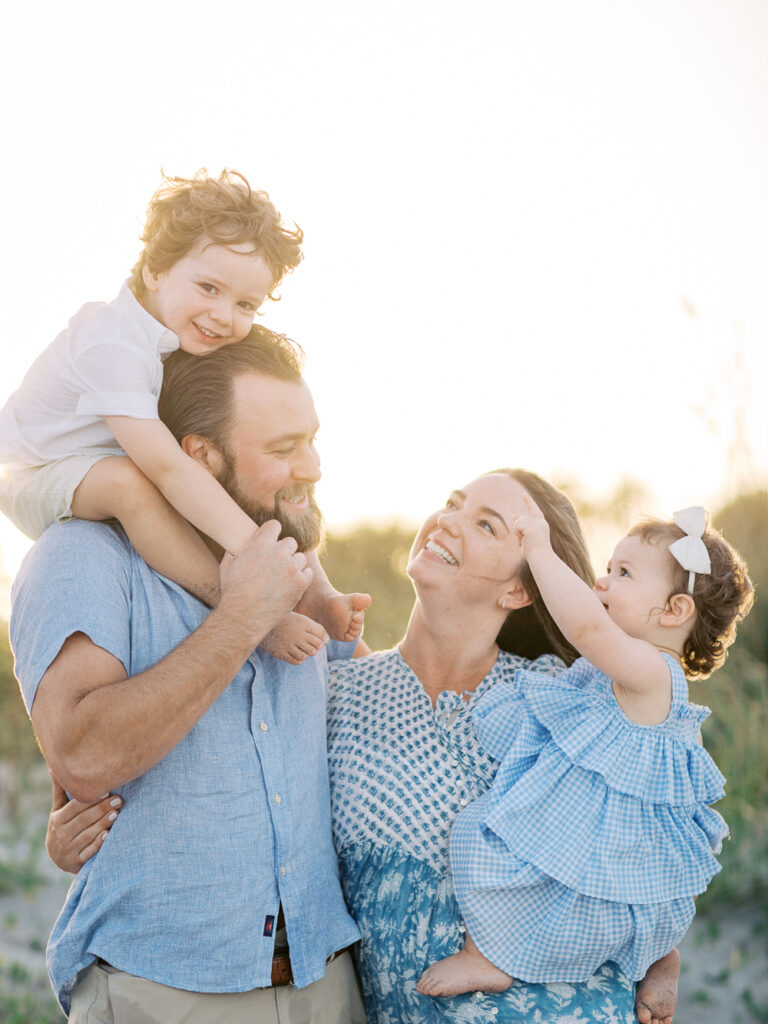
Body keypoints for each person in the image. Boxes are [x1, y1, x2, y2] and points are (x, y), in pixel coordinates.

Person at [48, 470, 683, 1024]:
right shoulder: (333, 687)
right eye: (454, 502)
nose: (449, 522)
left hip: (559, 1007)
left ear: (519, 590)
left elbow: (637, 823)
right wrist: (73, 821)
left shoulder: (555, 697)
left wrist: (663, 949)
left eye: (486, 525)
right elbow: (223, 778)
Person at [10, 328, 366, 1022]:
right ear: (200, 458)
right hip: (166, 993)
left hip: (327, 984)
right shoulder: (83, 557)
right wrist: (239, 621)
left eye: (312, 438)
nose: (315, 466)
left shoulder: (293, 567)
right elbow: (82, 753)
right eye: (284, 449)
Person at [0, 169, 369, 664]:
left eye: (245, 304)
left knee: (264, 474)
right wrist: (260, 562)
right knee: (129, 483)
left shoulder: (177, 333)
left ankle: (315, 593)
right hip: (29, 471)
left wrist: (305, 577)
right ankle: (251, 612)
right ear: (154, 269)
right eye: (209, 288)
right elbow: (167, 467)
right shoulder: (110, 342)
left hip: (102, 456)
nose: (223, 315)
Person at [417, 499, 753, 997]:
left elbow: (586, 627)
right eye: (608, 568)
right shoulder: (638, 674)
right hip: (616, 840)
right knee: (601, 893)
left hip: (599, 839)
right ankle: (659, 955)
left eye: (623, 573)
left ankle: (489, 955)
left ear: (674, 611)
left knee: (480, 835)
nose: (601, 581)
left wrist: (540, 550)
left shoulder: (649, 670)